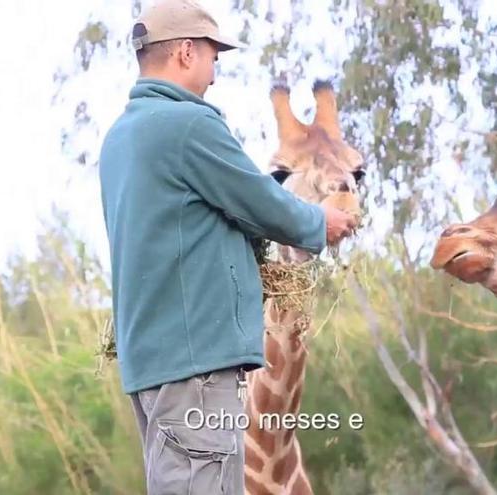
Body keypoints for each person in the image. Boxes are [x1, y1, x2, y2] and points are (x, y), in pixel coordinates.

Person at [97, 1, 357, 493]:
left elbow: (204, 215)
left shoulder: (120, 139)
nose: (215, 74)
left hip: (151, 365)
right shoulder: (187, 125)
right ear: (187, 52)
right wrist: (318, 221)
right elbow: (257, 201)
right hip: (196, 365)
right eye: (214, 57)